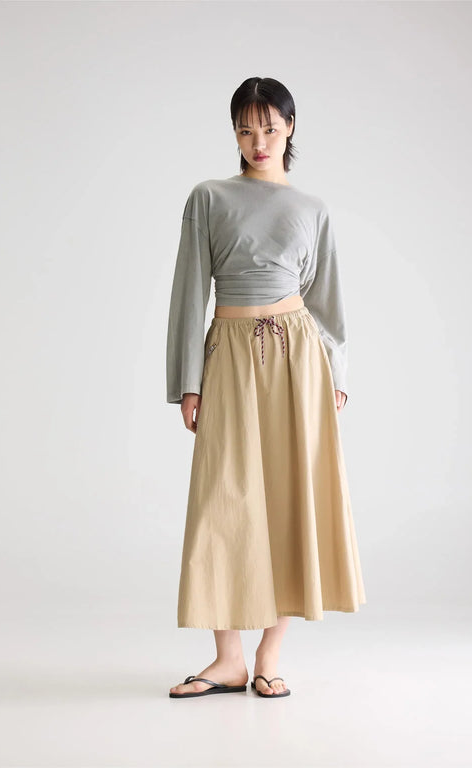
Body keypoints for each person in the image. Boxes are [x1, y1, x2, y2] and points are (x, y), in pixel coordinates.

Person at [166, 77, 366, 700]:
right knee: (222, 500)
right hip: (228, 355)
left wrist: (335, 377)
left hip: (298, 359)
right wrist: (188, 382)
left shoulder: (312, 209)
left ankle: (269, 654)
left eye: (270, 128)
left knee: (288, 499)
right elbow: (188, 293)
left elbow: (327, 303)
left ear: (290, 127)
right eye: (246, 129)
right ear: (234, 132)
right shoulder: (209, 198)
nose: (258, 141)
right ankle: (226, 659)